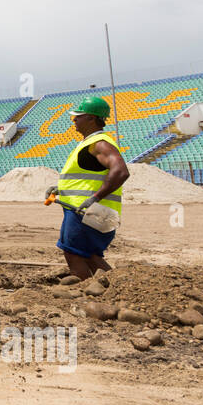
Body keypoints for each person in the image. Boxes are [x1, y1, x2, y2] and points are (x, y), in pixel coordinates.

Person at [49, 96, 129, 282]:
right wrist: (61, 188)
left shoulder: (99, 143)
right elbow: (85, 178)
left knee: (74, 253)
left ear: (92, 118)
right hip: (91, 211)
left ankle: (87, 290)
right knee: (88, 255)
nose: (74, 119)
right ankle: (118, 288)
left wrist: (95, 197)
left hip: (87, 212)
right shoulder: (89, 144)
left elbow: (121, 171)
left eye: (79, 116)